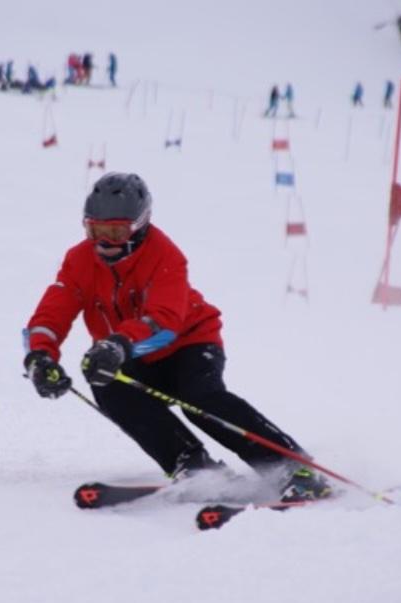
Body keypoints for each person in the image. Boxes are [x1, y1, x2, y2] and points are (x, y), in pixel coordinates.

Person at [22, 172, 331, 501]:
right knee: (106, 382)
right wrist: (40, 357)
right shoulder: (79, 260)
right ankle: (192, 464)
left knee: (199, 397)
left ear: (140, 226)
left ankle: (290, 466)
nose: (104, 243)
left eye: (116, 232)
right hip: (131, 353)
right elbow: (52, 313)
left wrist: (118, 344)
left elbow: (165, 322)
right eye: (95, 231)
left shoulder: (165, 256)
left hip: (189, 343)